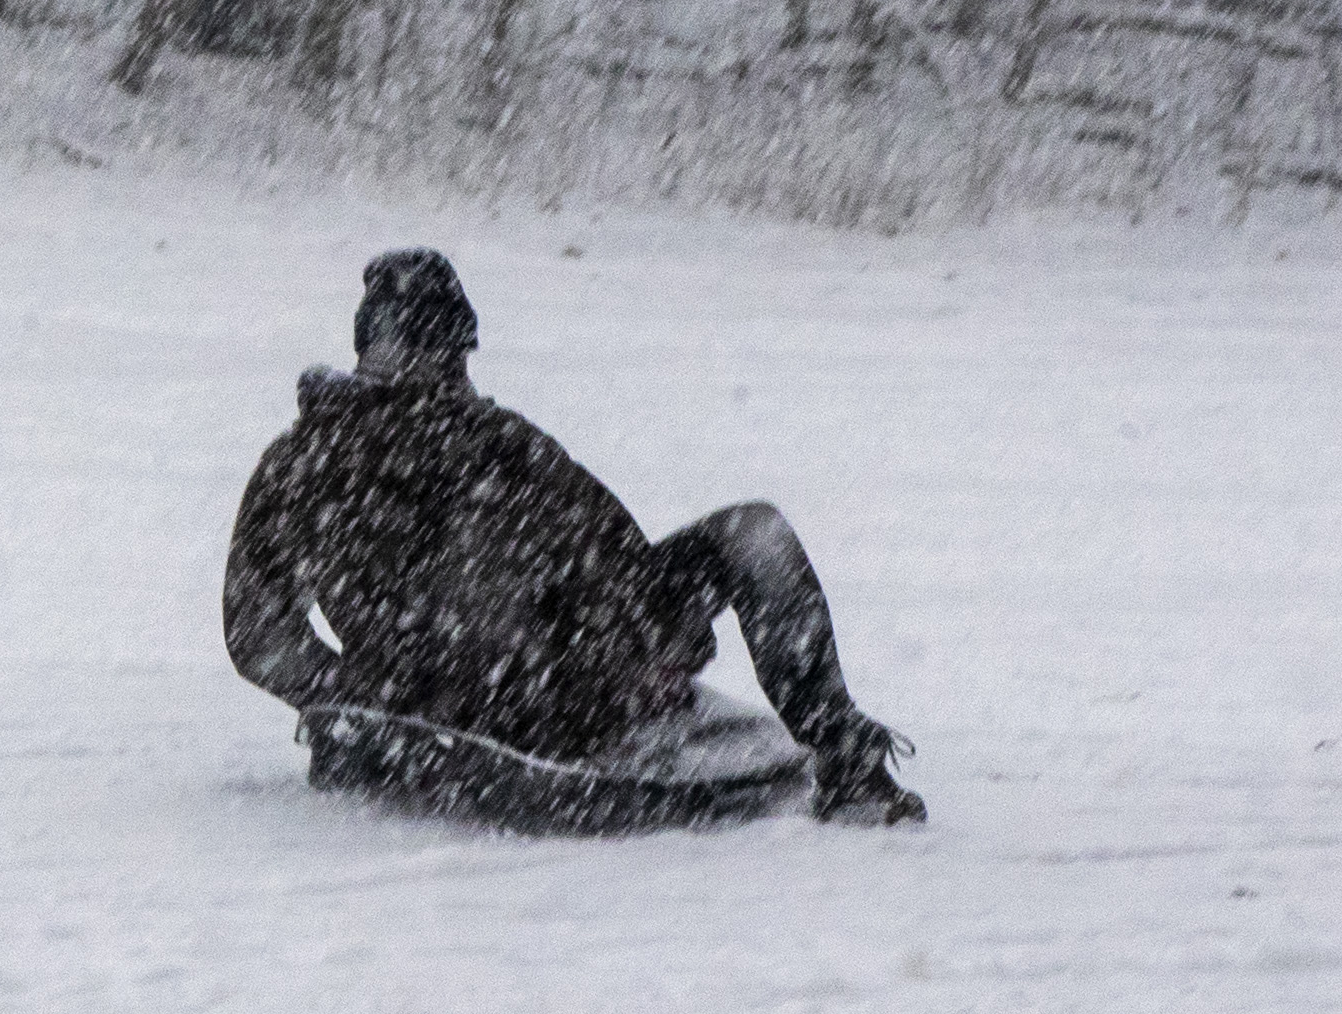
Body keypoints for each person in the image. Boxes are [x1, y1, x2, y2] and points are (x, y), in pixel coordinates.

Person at [221, 249, 926, 824]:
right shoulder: (328, 461)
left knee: (752, 533)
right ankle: (831, 750)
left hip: (562, 680)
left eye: (455, 359)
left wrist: (649, 645)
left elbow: (611, 553)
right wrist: (358, 697)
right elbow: (256, 626)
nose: (452, 377)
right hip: (499, 693)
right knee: (736, 539)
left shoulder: (483, 443)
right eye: (439, 356)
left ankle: (841, 752)